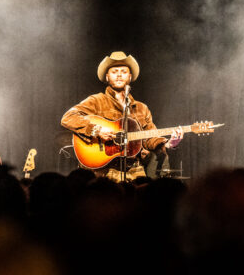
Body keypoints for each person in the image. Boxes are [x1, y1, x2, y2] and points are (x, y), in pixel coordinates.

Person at [61, 51, 182, 180]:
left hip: (135, 171)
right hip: (103, 172)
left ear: (129, 77)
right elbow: (68, 117)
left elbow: (150, 137)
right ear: (107, 77)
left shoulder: (141, 108)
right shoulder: (96, 101)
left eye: (123, 72)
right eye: (114, 72)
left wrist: (169, 144)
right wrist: (97, 130)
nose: (119, 75)